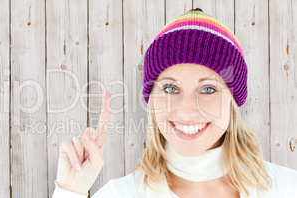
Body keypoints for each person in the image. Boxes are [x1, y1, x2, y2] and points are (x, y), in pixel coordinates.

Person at [52, 8, 297, 198]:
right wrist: (69, 191)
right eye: (170, 88)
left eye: (208, 89)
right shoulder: (120, 194)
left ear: (233, 100)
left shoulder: (288, 189)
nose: (187, 110)